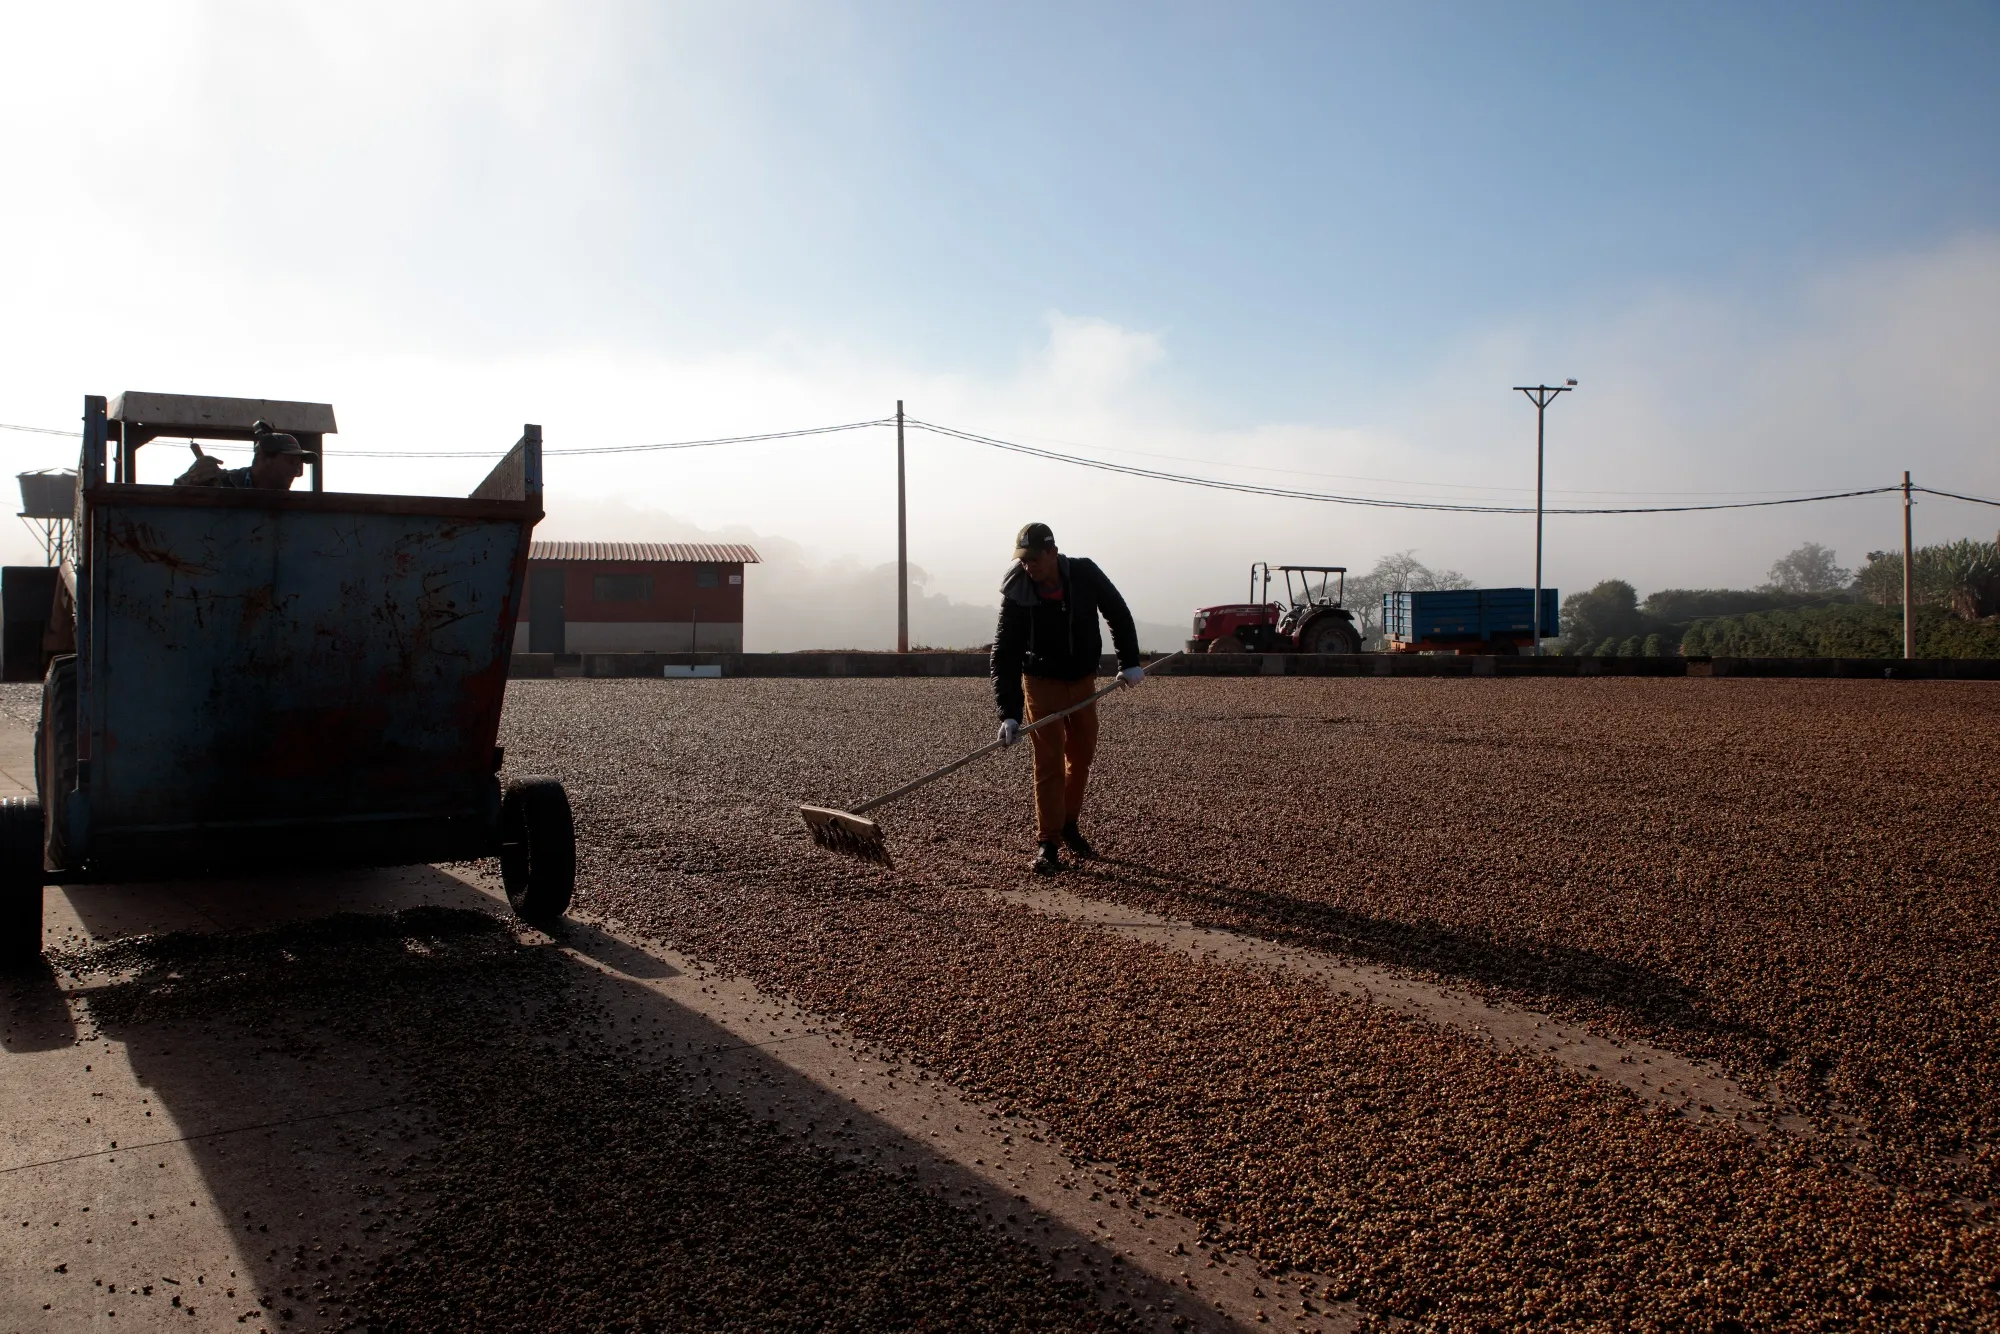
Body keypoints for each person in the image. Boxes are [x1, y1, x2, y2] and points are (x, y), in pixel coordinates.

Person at [990, 522, 1145, 874]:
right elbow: (1004, 653)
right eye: (1023, 560)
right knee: (1048, 764)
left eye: (1034, 559)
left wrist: (1130, 662)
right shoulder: (1018, 589)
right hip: (1041, 685)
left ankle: (1068, 824)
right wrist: (1009, 713)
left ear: (1052, 552)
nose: (1029, 566)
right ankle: (1048, 843)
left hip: (1083, 682)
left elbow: (1117, 613)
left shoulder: (1085, 573)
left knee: (1081, 755)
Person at [173, 420, 313, 491]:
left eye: (298, 465)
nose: (296, 471)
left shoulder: (293, 509)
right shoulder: (217, 483)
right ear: (262, 459)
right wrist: (190, 480)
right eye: (290, 462)